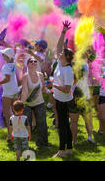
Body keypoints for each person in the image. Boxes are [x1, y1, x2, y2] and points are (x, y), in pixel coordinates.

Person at [48, 21, 74, 158]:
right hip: (59, 99)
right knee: (65, 124)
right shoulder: (60, 63)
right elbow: (59, 46)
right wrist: (63, 32)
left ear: (67, 58)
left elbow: (66, 89)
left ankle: (61, 151)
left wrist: (53, 85)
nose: (60, 53)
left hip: (63, 100)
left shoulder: (68, 70)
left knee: (62, 126)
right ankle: (69, 149)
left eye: (63, 53)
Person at [21, 57, 49, 148]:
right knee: (26, 123)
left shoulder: (40, 75)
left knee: (42, 123)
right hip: (27, 104)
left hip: (39, 102)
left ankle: (42, 144)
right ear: (27, 64)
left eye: (35, 61)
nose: (33, 63)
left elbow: (43, 88)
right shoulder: (25, 76)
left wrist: (51, 91)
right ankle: (25, 144)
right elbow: (24, 91)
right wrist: (21, 104)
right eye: (31, 61)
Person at [0, 47, 20, 141]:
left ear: (7, 56)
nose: (2, 56)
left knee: (7, 113)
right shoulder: (13, 64)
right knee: (16, 112)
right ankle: (17, 132)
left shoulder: (6, 66)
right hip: (14, 90)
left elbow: (7, 79)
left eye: (3, 54)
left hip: (8, 92)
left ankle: (10, 134)